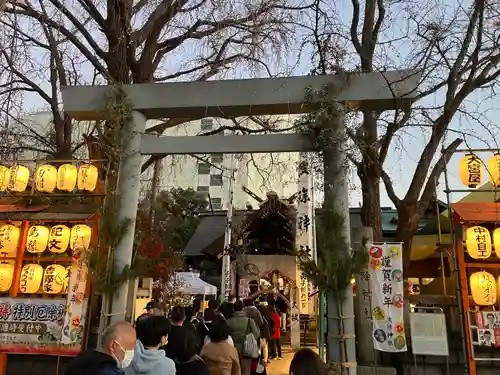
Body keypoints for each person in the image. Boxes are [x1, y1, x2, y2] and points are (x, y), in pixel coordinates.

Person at [64, 321, 136, 375]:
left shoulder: (80, 361)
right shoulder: (109, 372)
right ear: (113, 346)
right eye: (129, 348)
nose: (132, 352)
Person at [227, 300, 260, 375]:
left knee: (235, 370)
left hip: (232, 348)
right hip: (247, 349)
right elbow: (256, 334)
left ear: (233, 309)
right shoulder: (250, 321)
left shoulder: (228, 321)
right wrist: (247, 338)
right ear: (243, 308)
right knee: (246, 370)